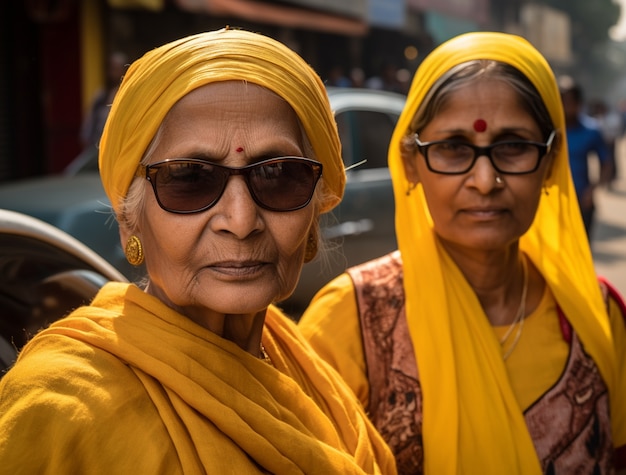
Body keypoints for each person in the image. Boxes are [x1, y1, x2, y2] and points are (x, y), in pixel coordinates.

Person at [0, 28, 396, 474]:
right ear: (131, 216)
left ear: (314, 208)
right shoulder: (60, 407)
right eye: (189, 178)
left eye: (279, 175)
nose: (241, 221)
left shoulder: (299, 360)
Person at [300, 32, 626, 474]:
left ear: (550, 164)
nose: (485, 180)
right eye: (453, 149)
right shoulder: (350, 319)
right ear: (411, 164)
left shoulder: (598, 316)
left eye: (513, 146)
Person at [558, 76, 612, 238]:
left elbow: (606, 163)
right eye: (563, 101)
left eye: (571, 101)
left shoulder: (591, 130)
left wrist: (592, 189)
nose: (567, 107)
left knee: (580, 247)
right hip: (554, 199)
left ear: (578, 103)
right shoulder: (549, 129)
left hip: (581, 199)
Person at [80, 51, 128, 149]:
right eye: (111, 69)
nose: (112, 73)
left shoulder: (125, 94)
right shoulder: (101, 95)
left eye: (116, 69)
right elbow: (89, 124)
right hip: (95, 146)